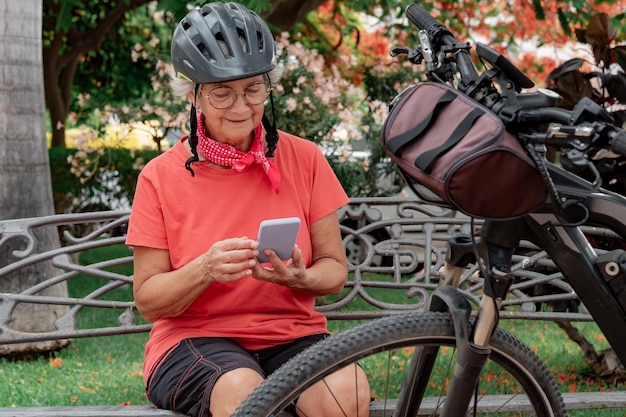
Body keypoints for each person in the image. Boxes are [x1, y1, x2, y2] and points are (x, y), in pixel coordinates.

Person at [125, 3, 371, 417]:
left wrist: (300, 277)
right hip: (192, 340)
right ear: (193, 94)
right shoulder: (158, 177)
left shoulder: (305, 159)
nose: (241, 107)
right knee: (245, 392)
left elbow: (334, 272)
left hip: (292, 336)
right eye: (222, 91)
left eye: (254, 89)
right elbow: (148, 301)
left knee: (345, 391)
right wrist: (204, 269)